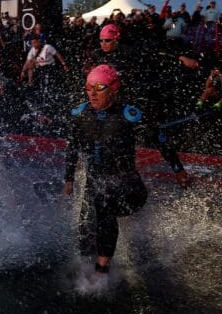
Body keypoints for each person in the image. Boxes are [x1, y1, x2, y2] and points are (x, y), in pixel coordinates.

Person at [62, 65, 186, 277]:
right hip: (95, 183)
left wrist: (178, 169)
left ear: (113, 89)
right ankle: (87, 269)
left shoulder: (129, 115)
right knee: (85, 230)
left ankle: (102, 270)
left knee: (104, 204)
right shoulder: (80, 115)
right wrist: (69, 178)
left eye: (99, 87)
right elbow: (72, 147)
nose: (92, 92)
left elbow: (161, 139)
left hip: (128, 187)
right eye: (89, 87)